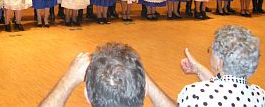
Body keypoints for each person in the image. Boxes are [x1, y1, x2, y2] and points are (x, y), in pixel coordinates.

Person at [39, 42, 175, 107]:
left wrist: (67, 81)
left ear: (87, 95)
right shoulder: (144, 88)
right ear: (145, 89)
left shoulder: (87, 94)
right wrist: (141, 76)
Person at [178, 25, 265, 106]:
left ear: (220, 61)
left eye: (211, 50)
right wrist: (198, 69)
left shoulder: (195, 93)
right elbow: (226, 89)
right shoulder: (260, 96)